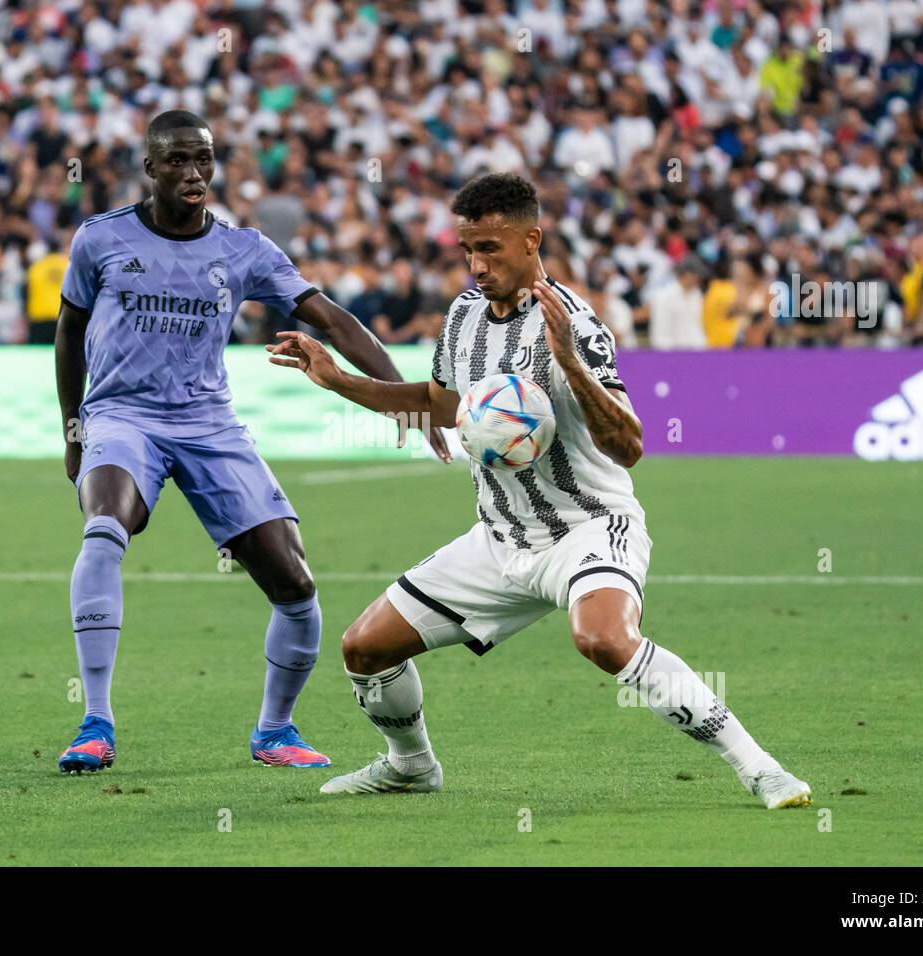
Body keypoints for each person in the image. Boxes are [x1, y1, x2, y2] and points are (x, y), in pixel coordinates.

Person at [268, 173, 811, 809]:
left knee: (604, 640)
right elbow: (436, 405)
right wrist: (339, 381)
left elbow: (630, 446)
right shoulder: (464, 316)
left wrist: (573, 368)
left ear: (533, 241)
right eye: (468, 249)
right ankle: (411, 765)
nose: (476, 264)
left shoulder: (576, 324)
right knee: (363, 648)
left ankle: (761, 768)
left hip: (587, 528)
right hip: (500, 541)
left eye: (491, 249)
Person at [52, 110, 449, 774]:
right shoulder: (100, 240)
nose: (194, 172)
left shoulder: (245, 251)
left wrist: (410, 401)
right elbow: (69, 332)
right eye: (177, 160)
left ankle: (275, 730)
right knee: (106, 524)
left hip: (210, 424)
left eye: (204, 159)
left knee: (295, 584)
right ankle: (96, 721)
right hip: (123, 416)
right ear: (150, 169)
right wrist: (73, 426)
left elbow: (335, 321)